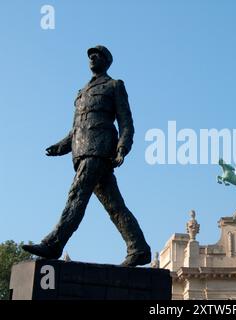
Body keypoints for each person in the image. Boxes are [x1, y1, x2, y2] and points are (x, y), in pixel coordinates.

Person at [22, 45, 151, 267]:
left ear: (107, 61)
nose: (92, 57)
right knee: (114, 205)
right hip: (82, 152)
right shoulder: (81, 93)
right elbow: (76, 128)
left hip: (100, 150)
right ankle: (138, 247)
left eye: (98, 55)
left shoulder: (114, 85)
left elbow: (126, 122)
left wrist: (122, 147)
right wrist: (60, 146)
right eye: (90, 55)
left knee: (77, 194)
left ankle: (54, 244)